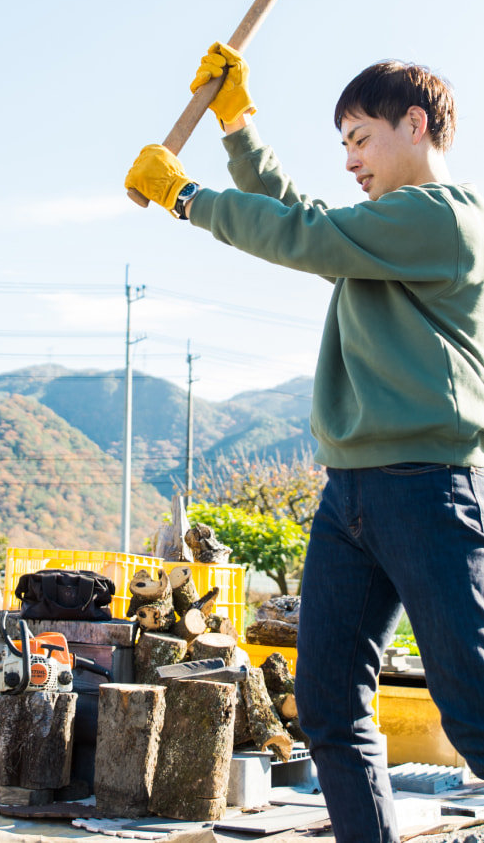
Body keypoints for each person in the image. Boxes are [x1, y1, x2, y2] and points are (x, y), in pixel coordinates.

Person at [125, 44, 484, 843]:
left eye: (360, 137)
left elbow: (304, 232)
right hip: (349, 495)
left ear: (415, 123)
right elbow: (301, 217)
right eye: (344, 146)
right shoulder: (379, 238)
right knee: (327, 710)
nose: (350, 160)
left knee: (472, 706)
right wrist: (236, 125)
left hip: (425, 488)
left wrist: (184, 196)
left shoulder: (444, 217)